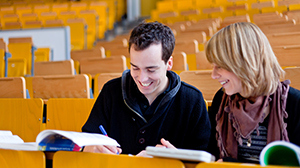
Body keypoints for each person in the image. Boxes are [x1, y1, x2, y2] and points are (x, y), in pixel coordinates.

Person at [82, 21, 211, 155]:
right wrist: (89, 148)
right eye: (135, 68)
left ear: (169, 64)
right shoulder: (111, 92)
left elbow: (204, 160)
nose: (142, 78)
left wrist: (179, 158)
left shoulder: (192, 101)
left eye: (151, 69)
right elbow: (86, 140)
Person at [205, 22, 300, 163]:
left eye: (220, 66)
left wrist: (232, 165)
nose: (213, 75)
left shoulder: (294, 103)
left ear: (245, 63)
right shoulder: (221, 99)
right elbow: (211, 157)